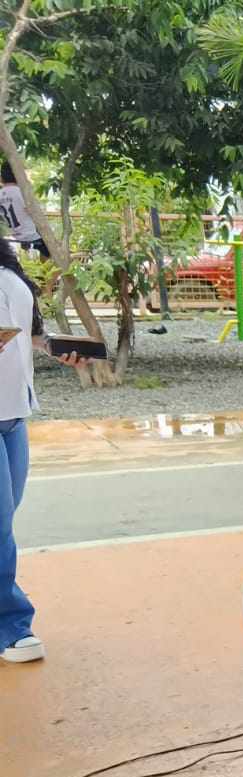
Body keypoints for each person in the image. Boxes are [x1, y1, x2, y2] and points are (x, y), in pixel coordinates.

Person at [1, 235, 78, 664]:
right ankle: (11, 626)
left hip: (13, 412)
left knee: (6, 516)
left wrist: (54, 346)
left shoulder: (5, 261)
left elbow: (26, 333)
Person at [0, 163, 48, 258]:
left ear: (2, 178)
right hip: (33, 236)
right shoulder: (23, 193)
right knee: (53, 252)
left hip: (15, 237)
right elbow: (36, 213)